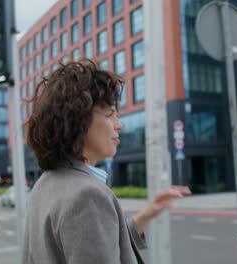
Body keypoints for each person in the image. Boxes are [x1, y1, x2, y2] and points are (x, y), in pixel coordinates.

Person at [22, 59, 191, 264]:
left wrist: (148, 213)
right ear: (78, 119)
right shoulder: (86, 195)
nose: (118, 125)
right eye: (110, 114)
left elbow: (95, 243)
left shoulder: (44, 185)